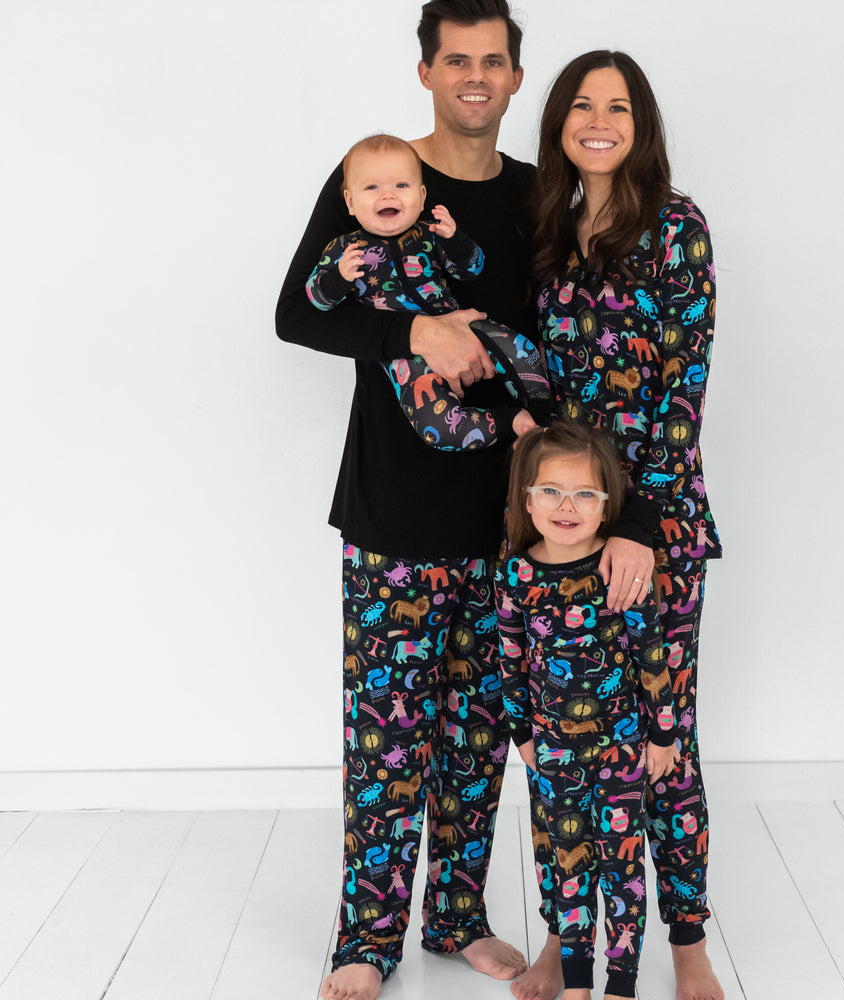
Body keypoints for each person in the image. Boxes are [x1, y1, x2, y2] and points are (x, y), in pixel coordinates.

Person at [274, 3, 533, 999]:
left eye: (493, 61)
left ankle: (458, 917)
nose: (475, 75)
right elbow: (300, 308)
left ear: (514, 78)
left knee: (476, 732)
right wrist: (409, 336)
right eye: (455, 59)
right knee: (386, 738)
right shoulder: (375, 176)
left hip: (509, 519)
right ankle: (365, 937)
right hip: (390, 513)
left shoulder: (534, 195)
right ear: (426, 71)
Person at [521, 51, 725, 1000]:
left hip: (654, 525)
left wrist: (638, 521)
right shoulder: (550, 230)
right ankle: (570, 941)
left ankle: (686, 942)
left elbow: (682, 389)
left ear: (640, 124)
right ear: (559, 119)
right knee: (565, 748)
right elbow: (545, 380)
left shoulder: (675, 227)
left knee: (661, 738)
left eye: (617, 107)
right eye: (581, 105)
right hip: (563, 528)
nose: (598, 121)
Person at [496, 421, 681, 1000]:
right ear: (527, 498)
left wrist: (663, 735)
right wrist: (522, 734)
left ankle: (620, 986)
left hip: (622, 750)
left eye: (583, 495)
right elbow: (511, 660)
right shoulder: (517, 573)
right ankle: (577, 982)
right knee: (571, 871)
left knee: (623, 873)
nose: (566, 506)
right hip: (554, 754)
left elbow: (653, 656)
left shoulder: (617, 570)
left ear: (607, 507)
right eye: (550, 490)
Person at [305, 132, 539, 450]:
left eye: (401, 186)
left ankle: (543, 414)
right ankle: (509, 422)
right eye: (372, 187)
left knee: (522, 349)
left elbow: (471, 269)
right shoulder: (344, 248)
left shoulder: (428, 235)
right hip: (406, 357)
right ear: (349, 201)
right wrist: (339, 278)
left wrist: (454, 238)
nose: (388, 195)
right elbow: (315, 300)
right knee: (438, 429)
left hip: (460, 324)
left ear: (421, 194)